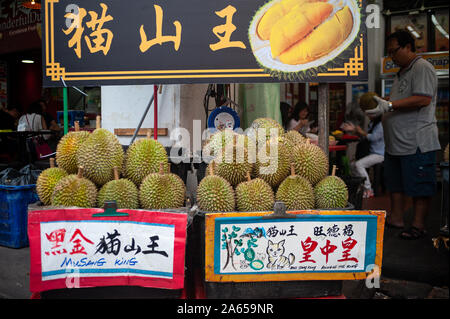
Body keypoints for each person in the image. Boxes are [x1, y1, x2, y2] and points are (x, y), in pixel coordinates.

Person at [366, 29, 441, 240]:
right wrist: (380, 106)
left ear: (408, 47)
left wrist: (389, 105)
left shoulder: (422, 68)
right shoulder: (400, 74)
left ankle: (418, 225)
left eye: (394, 51)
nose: (392, 57)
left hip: (416, 140)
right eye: (389, 53)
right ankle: (397, 218)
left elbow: (422, 99)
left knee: (419, 185)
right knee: (395, 184)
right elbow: (395, 104)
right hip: (396, 143)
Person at [342, 114, 384, 199]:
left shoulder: (380, 125)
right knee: (352, 165)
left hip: (379, 154)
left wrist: (361, 131)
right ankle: (360, 187)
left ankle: (368, 189)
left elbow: (373, 138)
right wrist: (355, 130)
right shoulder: (372, 124)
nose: (368, 115)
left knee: (358, 164)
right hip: (372, 153)